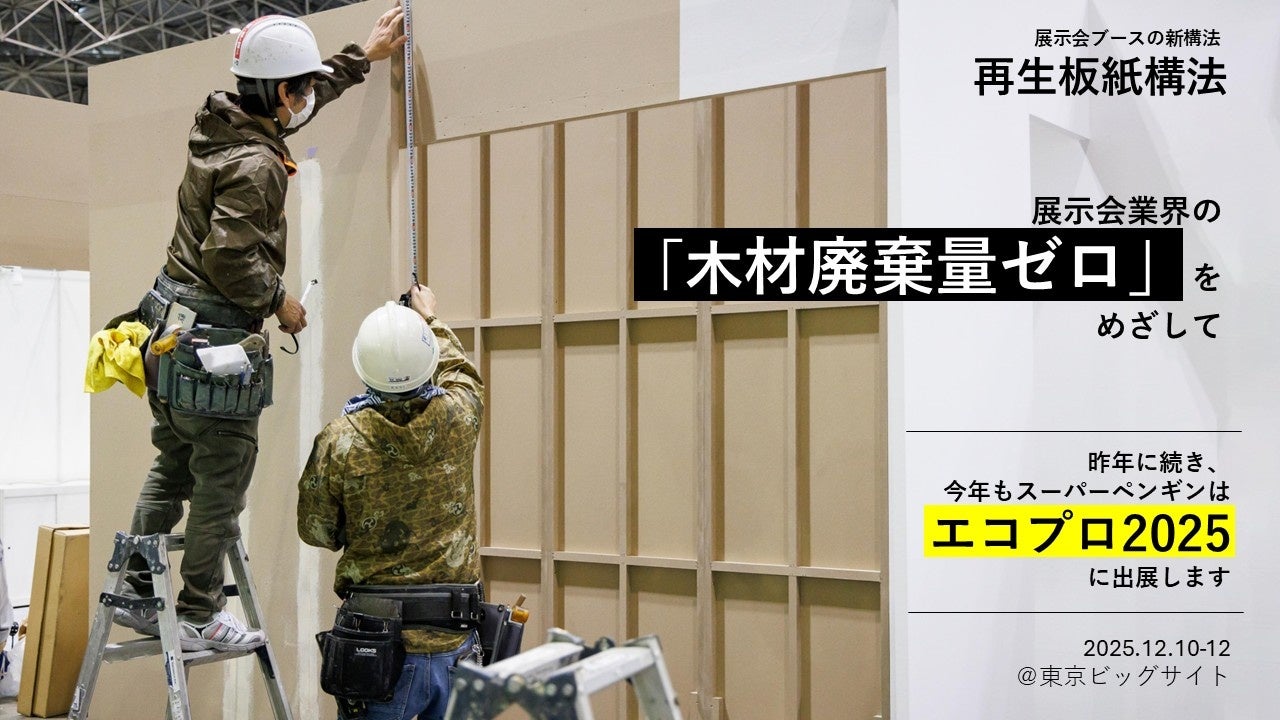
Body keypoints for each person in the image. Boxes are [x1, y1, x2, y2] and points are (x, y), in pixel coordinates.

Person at [113, 8, 408, 652]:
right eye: (300, 89)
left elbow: (290, 106)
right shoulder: (256, 165)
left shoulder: (218, 121)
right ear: (279, 92)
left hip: (166, 328)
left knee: (173, 463)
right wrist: (281, 303)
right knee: (222, 480)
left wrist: (363, 57)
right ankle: (198, 613)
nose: (305, 98)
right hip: (212, 344)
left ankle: (135, 588)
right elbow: (228, 258)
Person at [298, 286, 485, 720]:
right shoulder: (460, 416)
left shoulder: (340, 441)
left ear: (364, 368)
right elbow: (463, 373)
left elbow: (317, 531)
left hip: (377, 652)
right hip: (456, 644)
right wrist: (430, 318)